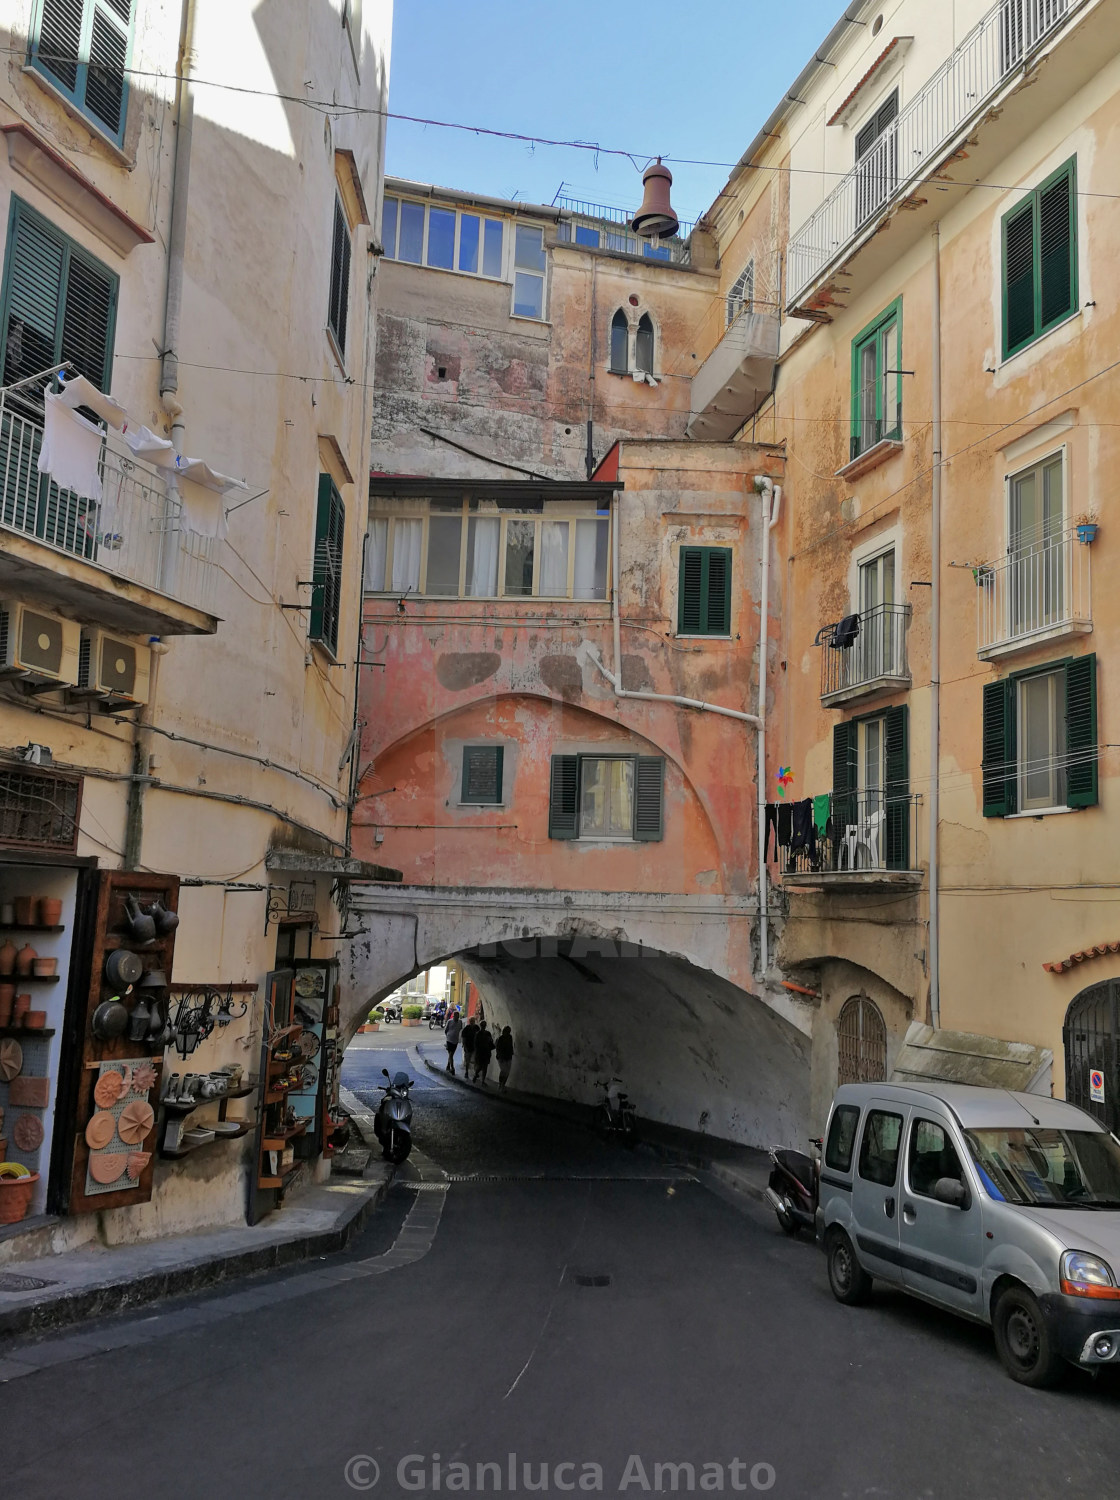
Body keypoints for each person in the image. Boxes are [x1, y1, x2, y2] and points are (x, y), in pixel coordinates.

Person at [473, 1021, 495, 1086]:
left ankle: (482, 1080)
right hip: (481, 1052)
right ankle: (477, 1075)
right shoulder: (478, 1034)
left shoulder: (487, 1033)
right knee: (482, 1066)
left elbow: (490, 1041)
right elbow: (476, 1044)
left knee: (484, 1066)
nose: (483, 1026)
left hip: (485, 1052)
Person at [443, 1007, 462, 1074]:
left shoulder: (460, 1022)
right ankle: (452, 1068)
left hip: (455, 1040)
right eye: (456, 1016)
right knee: (451, 1054)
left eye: (458, 1016)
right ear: (453, 1016)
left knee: (451, 1055)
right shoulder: (450, 1021)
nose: (457, 1018)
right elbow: (446, 1030)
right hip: (449, 1040)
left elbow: (460, 1029)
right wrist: (448, 1036)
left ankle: (448, 1065)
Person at [495, 1025, 514, 1091]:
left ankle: (503, 1085)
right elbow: (498, 1049)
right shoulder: (500, 1039)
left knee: (507, 1072)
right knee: (503, 1071)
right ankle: (500, 1084)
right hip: (502, 1057)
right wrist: (501, 1057)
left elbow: (510, 1046)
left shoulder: (510, 1037)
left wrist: (511, 1053)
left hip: (508, 1056)